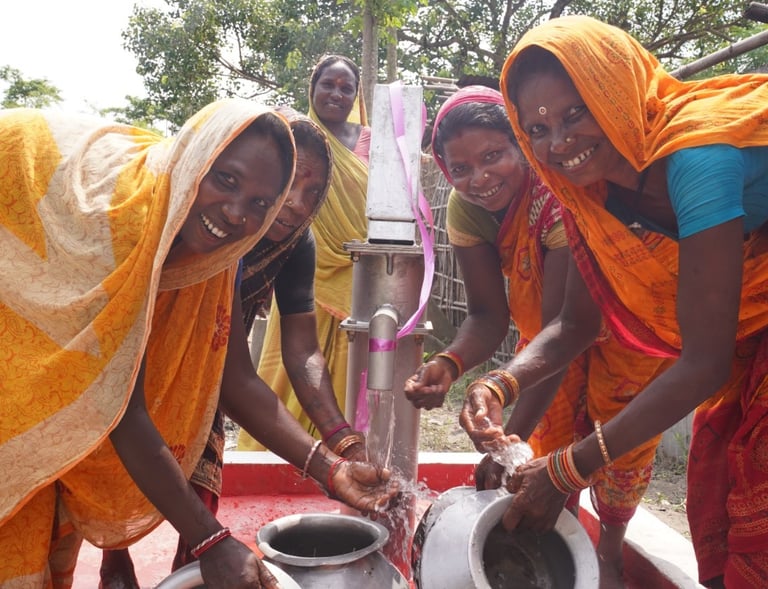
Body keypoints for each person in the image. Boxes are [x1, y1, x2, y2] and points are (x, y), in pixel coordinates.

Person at [0, 99, 398, 589]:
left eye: (261, 202)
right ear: (195, 157)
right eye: (226, 180)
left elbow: (235, 377)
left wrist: (332, 467)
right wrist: (211, 539)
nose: (236, 212)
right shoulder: (125, 223)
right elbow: (121, 406)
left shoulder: (219, 250)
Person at [459, 14, 768, 589]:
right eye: (538, 128)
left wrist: (568, 468)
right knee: (727, 503)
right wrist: (498, 385)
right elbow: (575, 324)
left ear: (616, 90)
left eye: (576, 113)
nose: (559, 143)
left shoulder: (699, 158)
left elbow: (705, 363)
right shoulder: (591, 190)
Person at [404, 85, 670, 587]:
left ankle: (609, 550)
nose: (479, 179)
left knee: (618, 441)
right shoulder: (466, 208)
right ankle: (558, 538)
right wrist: (450, 363)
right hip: (548, 339)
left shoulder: (557, 195)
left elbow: (569, 329)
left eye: (493, 156)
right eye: (460, 169)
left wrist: (509, 434)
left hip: (622, 328)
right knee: (547, 442)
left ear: (521, 146)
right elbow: (487, 315)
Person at [98, 107, 367, 587]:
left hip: (213, 372)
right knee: (109, 465)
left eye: (311, 192)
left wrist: (339, 448)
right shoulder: (185, 224)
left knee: (201, 479)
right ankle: (114, 554)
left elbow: (283, 357)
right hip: (129, 357)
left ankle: (189, 571)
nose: (295, 204)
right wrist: (212, 541)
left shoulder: (274, 245)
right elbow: (121, 401)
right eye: (290, 185)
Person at [239, 54, 370, 450]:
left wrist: (341, 442)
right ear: (312, 88)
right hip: (298, 267)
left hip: (355, 274)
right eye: (328, 84)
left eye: (346, 88)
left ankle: (337, 445)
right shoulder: (290, 135)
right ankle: (273, 449)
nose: (336, 93)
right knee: (284, 362)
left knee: (345, 369)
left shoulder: (371, 141)